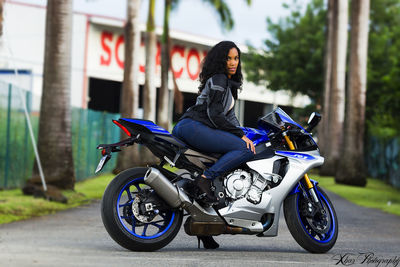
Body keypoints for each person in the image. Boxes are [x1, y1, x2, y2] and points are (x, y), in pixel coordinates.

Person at [172, 41, 256, 249]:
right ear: (221, 60)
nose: (233, 62)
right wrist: (241, 138)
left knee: (224, 165)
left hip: (195, 127)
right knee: (243, 150)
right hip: (193, 126)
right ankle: (204, 179)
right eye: (228, 58)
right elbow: (214, 114)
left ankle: (205, 227)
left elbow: (230, 118)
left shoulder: (228, 85)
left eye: (236, 58)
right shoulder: (219, 79)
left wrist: (244, 133)